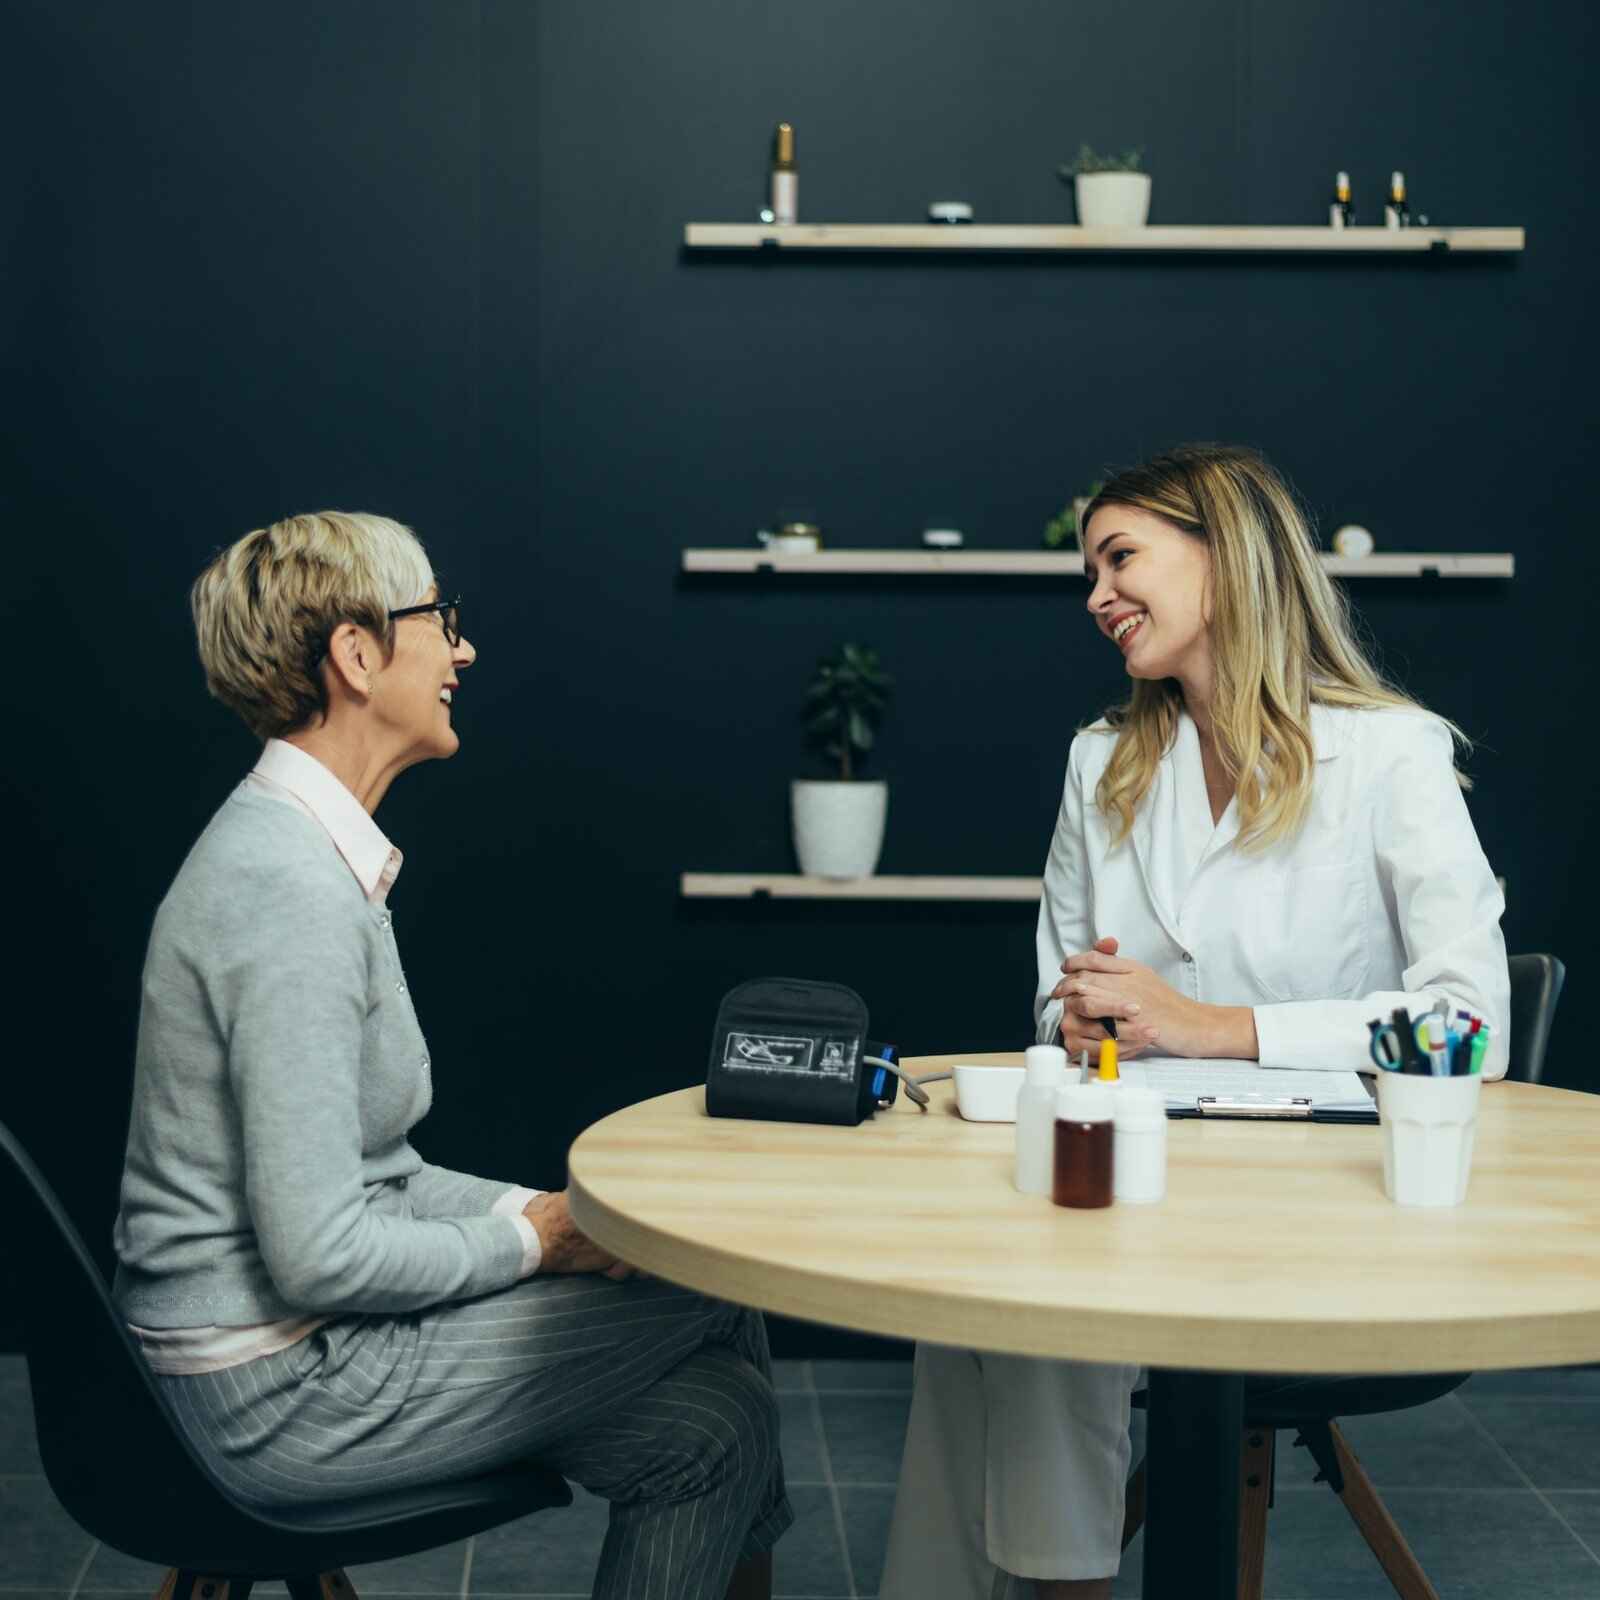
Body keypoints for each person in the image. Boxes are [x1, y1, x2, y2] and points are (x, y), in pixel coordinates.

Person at [114, 512, 790, 1600]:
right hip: (272, 1394)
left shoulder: (311, 856)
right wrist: (540, 1243)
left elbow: (381, 1174)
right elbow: (323, 1256)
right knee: (720, 1273)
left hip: (295, 1355)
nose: (462, 649)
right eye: (442, 619)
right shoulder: (286, 891)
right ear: (357, 654)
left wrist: (555, 1219)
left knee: (714, 1424)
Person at [879, 444, 1509, 1600]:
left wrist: (1205, 1025)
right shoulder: (1102, 764)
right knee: (988, 1284)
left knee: (1045, 1288)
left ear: (1228, 556)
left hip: (1327, 1196)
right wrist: (1085, 1021)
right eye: (1088, 570)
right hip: (1135, 1162)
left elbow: (1468, 1020)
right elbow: (1053, 995)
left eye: (1121, 557)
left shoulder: (1387, 753)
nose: (1096, 595)